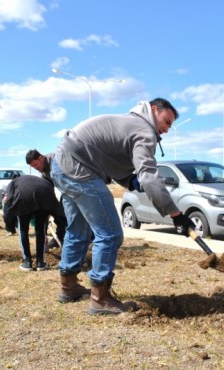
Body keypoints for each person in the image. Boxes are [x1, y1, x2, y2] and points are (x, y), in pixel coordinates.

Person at [51, 98, 196, 315]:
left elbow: (111, 158)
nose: (166, 130)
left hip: (61, 163)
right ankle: (100, 298)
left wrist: (129, 181)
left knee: (78, 229)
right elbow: (148, 177)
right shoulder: (144, 130)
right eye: (166, 122)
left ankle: (68, 286)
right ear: (154, 110)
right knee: (109, 233)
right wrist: (175, 214)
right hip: (80, 167)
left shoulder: (128, 123)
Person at [5, 174, 67, 272]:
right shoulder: (39, 180)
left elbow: (8, 198)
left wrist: (10, 219)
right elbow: (53, 200)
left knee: (23, 230)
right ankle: (40, 262)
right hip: (45, 198)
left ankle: (27, 262)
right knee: (40, 229)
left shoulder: (13, 182)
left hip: (24, 199)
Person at [26, 149, 63, 249]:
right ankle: (59, 238)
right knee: (49, 211)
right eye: (33, 167)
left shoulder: (56, 160)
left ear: (41, 157)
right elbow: (46, 191)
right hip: (64, 193)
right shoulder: (43, 173)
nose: (36, 168)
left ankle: (89, 238)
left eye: (36, 164)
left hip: (77, 189)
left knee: (67, 216)